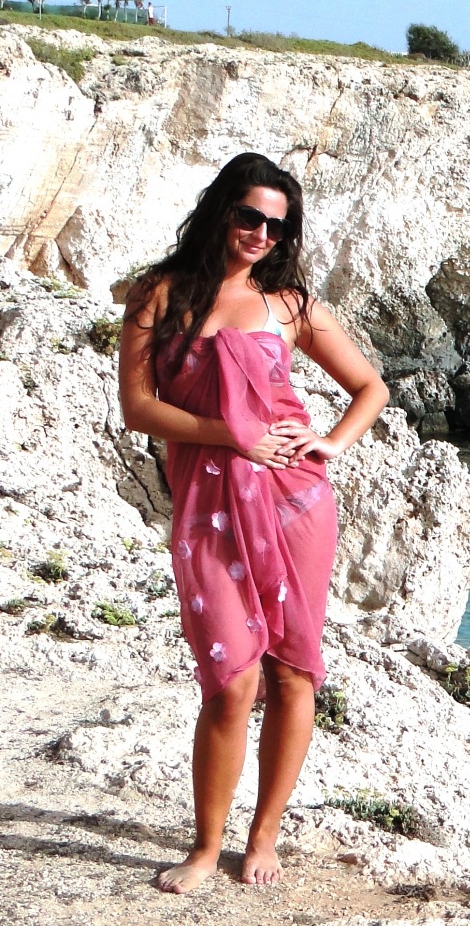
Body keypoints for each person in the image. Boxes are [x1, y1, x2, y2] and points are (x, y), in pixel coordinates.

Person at [119, 153, 389, 893]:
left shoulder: (288, 305)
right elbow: (138, 408)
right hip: (206, 509)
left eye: (277, 226)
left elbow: (370, 387)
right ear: (222, 210)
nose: (261, 234)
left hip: (294, 501)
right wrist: (230, 434)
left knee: (294, 671)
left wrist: (328, 442)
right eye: (250, 216)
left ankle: (263, 834)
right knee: (229, 679)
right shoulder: (159, 293)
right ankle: (207, 846)